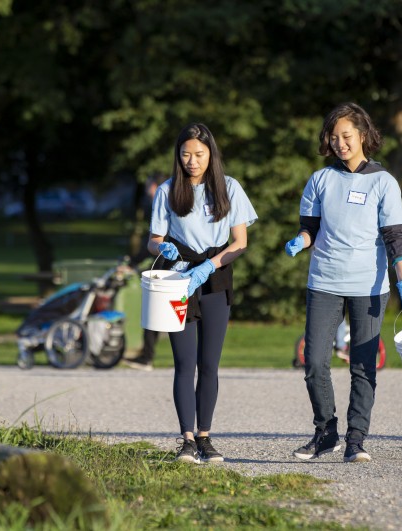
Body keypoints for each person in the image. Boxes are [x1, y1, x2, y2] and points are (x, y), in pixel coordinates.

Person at [285, 102, 402, 463]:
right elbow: (310, 228)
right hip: (324, 281)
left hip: (369, 286)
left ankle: (356, 439)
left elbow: (395, 238)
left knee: (362, 366)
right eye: (334, 138)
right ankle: (325, 433)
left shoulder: (383, 182)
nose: (340, 143)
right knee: (314, 361)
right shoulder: (320, 180)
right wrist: (300, 241)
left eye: (346, 136)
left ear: (363, 136)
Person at [148, 122, 257, 463]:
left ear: (211, 154)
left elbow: (240, 242)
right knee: (185, 362)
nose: (192, 161)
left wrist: (209, 267)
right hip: (178, 280)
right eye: (185, 155)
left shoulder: (230, 188)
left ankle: (205, 437)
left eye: (199, 154)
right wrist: (162, 248)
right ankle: (186, 440)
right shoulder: (167, 191)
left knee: (209, 363)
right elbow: (153, 238)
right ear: (177, 157)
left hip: (215, 279)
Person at [125, 174, 168, 371]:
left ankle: (147, 357)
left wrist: (133, 262)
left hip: (166, 267)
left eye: (149, 187)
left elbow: (153, 243)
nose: (146, 191)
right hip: (168, 265)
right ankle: (147, 355)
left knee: (154, 312)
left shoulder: (163, 207)